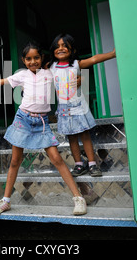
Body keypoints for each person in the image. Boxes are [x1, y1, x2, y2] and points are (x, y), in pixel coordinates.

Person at [0, 42, 87, 216]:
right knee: (15, 161)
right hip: (22, 120)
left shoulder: (49, 73)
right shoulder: (22, 75)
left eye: (36, 58)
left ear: (42, 58)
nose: (33, 61)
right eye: (29, 58)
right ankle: (6, 201)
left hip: (42, 123)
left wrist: (78, 79)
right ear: (24, 60)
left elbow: (66, 77)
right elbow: (3, 81)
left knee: (56, 158)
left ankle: (78, 198)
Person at [47, 34, 116, 177]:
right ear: (53, 50)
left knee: (85, 135)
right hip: (64, 109)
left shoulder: (76, 65)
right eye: (57, 46)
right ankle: (79, 165)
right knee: (72, 137)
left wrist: (113, 54)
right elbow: (38, 75)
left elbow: (94, 59)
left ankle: (92, 164)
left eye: (65, 45)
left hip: (78, 107)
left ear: (72, 50)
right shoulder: (51, 67)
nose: (61, 48)